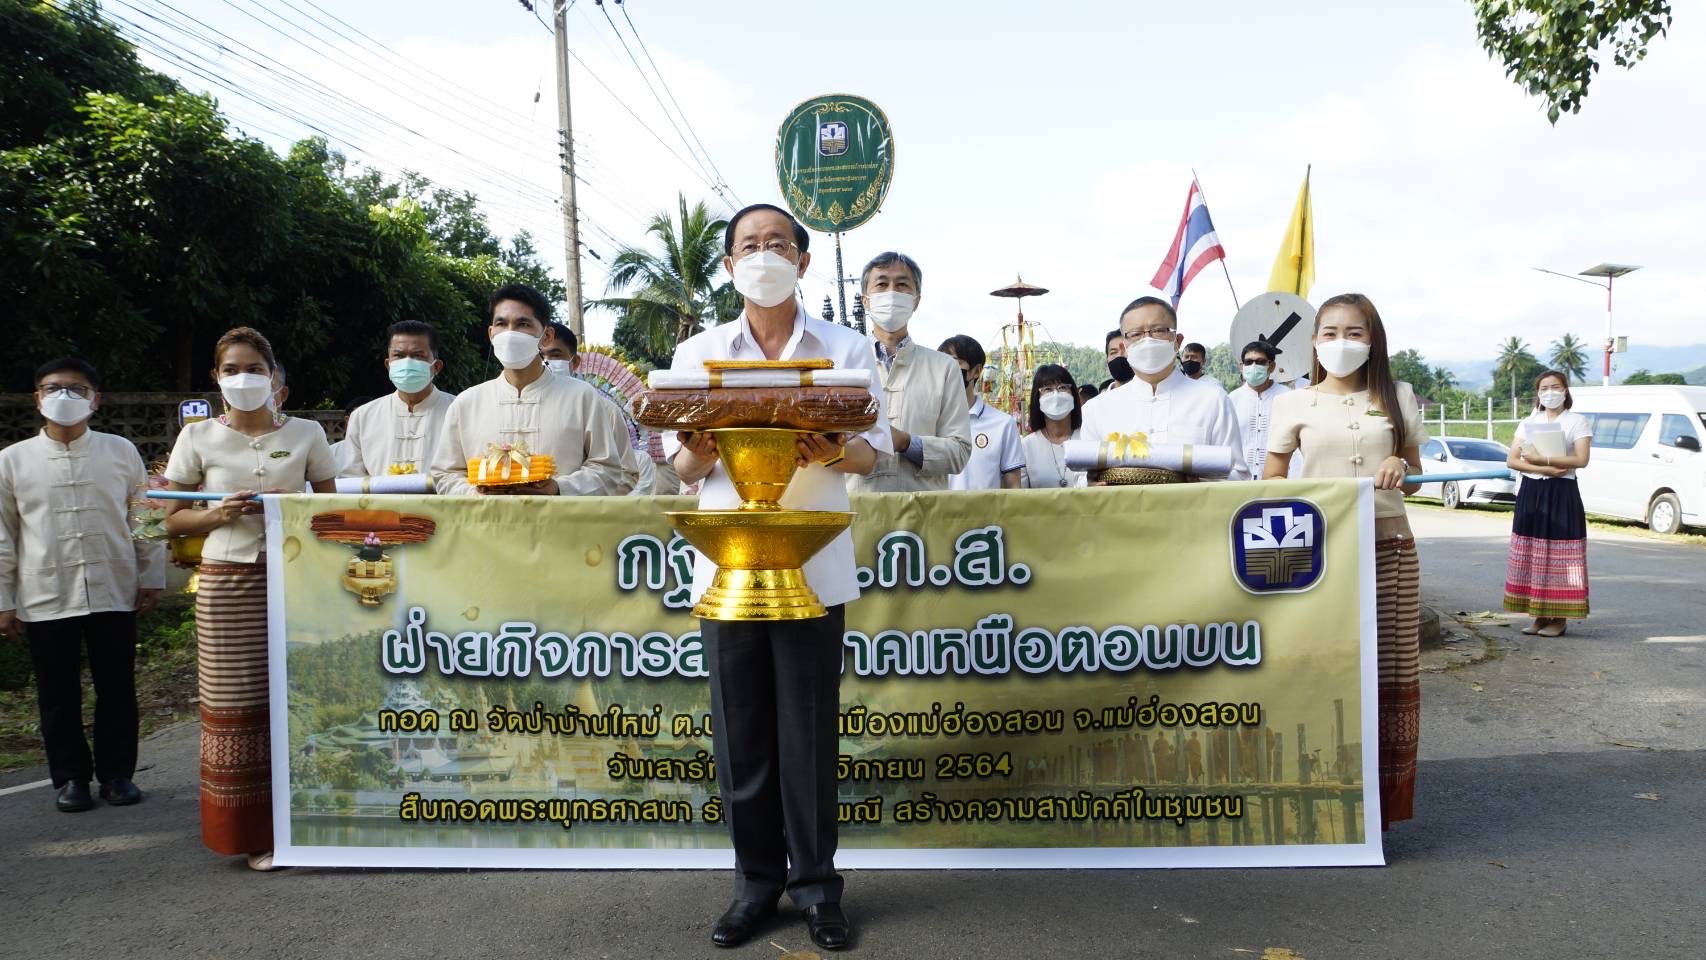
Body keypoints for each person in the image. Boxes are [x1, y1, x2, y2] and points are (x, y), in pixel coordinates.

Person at [664, 203, 889, 952]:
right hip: (729, 568)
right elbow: (683, 465)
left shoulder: (847, 346)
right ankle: (755, 884)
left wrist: (830, 448)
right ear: (729, 265)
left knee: (808, 735)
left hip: (811, 567)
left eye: (778, 244)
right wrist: (698, 444)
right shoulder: (698, 351)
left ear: (803, 260)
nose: (765, 256)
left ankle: (818, 889)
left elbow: (873, 451)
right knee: (742, 735)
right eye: (750, 245)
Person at [161, 327, 337, 868]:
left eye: (255, 369)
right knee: (235, 701)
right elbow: (174, 517)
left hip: (295, 577)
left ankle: (307, 825)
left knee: (298, 697)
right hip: (226, 581)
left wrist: (295, 506)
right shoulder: (197, 438)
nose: (244, 379)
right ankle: (249, 832)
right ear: (216, 378)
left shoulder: (307, 432)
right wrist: (219, 514)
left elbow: (331, 511)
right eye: (232, 369)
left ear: (274, 376)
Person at [1263, 292, 1427, 830]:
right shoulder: (1293, 403)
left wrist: (1401, 461)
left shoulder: (1398, 396)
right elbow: (1272, 479)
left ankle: (1380, 805)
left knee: (1389, 666)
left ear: (1373, 339)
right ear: (1313, 342)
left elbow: (1419, 471)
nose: (1341, 342)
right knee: (1321, 663)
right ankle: (1318, 796)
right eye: (1329, 332)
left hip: (1389, 545)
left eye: (1353, 332)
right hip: (1318, 550)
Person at [0, 358, 164, 813]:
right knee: (57, 692)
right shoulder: (11, 462)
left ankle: (117, 775)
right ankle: (70, 778)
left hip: (113, 586)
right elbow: (3, 536)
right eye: (54, 388)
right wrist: (3, 601)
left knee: (117, 686)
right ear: (37, 398)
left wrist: (151, 576)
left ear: (96, 399)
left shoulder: (121, 451)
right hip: (45, 593)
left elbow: (144, 519)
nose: (65, 397)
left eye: (77, 388)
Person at [431, 284, 635, 496]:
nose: (510, 333)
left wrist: (559, 488)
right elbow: (446, 474)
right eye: (502, 323)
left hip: (559, 525)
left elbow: (608, 470)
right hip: (488, 525)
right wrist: (477, 494)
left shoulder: (581, 397)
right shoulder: (467, 402)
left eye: (523, 324)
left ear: (546, 336)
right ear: (491, 334)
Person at [1080, 297, 1248, 480]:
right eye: (1136, 334)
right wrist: (1091, 484)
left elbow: (1238, 474)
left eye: (1159, 330)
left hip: (1192, 507)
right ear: (1124, 347)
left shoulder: (1213, 400)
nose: (1147, 340)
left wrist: (1199, 483)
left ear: (1177, 341)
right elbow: (1081, 477)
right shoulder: (1098, 408)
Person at [846, 251, 971, 493]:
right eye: (881, 284)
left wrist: (905, 442)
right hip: (858, 514)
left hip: (922, 520)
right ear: (866, 300)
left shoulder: (944, 368)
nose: (891, 292)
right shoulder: (843, 363)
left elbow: (960, 452)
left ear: (916, 301)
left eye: (902, 285)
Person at [1504, 370, 1593, 637]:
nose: (1550, 392)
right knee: (1533, 550)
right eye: (1544, 388)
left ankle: (1559, 618)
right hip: (1532, 489)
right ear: (1538, 393)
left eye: (1555, 386)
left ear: (1566, 390)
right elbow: (1512, 460)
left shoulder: (1577, 422)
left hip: (1562, 491)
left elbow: (1581, 459)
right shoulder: (1528, 422)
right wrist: (1545, 469)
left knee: (1560, 553)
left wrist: (1542, 461)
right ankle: (1539, 616)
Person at [543, 320, 658, 495]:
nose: (546, 362)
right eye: (540, 356)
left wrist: (574, 494)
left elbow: (626, 474)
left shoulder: (606, 410)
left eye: (555, 355)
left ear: (574, 362)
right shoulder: (520, 407)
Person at [340, 321, 455, 479]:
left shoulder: (458, 411)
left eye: (418, 355)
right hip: (380, 504)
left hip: (442, 503)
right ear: (388, 365)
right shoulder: (362, 417)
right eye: (399, 356)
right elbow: (351, 479)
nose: (407, 362)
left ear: (437, 367)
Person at [942, 336, 1023, 490]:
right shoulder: (929, 420)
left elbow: (1013, 486)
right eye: (940, 363)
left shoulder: (1003, 424)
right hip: (939, 514)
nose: (944, 370)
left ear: (976, 371)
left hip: (986, 514)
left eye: (952, 363)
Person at [1228, 340, 1298, 480]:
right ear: (1241, 366)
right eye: (1248, 362)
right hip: (1237, 482)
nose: (1253, 366)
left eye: (1260, 362)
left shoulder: (1288, 397)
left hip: (1278, 481)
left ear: (1271, 366)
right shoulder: (1231, 399)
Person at [1019, 363, 1085, 488]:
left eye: (1062, 387)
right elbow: (1021, 496)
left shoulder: (1087, 437)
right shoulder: (1026, 446)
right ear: (1037, 399)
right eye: (1047, 389)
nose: (1056, 394)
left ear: (1073, 394)